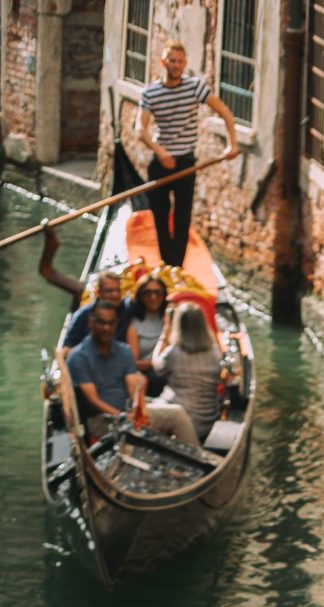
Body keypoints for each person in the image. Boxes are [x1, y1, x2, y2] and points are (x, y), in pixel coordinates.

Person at [133, 38, 238, 269]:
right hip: (160, 163)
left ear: (185, 64)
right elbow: (140, 128)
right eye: (172, 61)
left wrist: (232, 144)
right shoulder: (150, 92)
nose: (176, 65)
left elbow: (225, 112)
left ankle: (176, 268)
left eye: (180, 61)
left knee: (182, 218)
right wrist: (161, 153)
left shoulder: (195, 87)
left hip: (186, 163)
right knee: (160, 217)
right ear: (163, 62)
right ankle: (166, 264)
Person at [147, 299, 226, 447]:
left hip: (181, 420)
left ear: (179, 325)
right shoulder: (216, 352)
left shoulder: (174, 353)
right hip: (208, 420)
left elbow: (156, 365)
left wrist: (165, 332)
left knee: (138, 408)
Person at [65, 300, 148, 438]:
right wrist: (123, 417)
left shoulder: (125, 351)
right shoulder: (78, 357)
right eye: (101, 323)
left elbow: (133, 387)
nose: (106, 328)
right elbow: (93, 400)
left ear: (116, 324)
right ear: (91, 323)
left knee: (176, 414)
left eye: (111, 323)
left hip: (129, 415)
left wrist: (136, 411)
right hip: (101, 420)